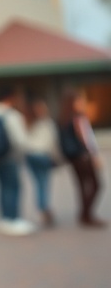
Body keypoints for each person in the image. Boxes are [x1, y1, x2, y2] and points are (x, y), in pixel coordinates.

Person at [0, 86, 35, 236]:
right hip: (10, 157)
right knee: (13, 187)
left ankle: (4, 219)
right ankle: (13, 219)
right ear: (10, 98)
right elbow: (20, 140)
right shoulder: (11, 115)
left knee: (2, 187)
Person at [58, 90, 106, 228]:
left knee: (81, 186)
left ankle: (84, 214)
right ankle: (87, 214)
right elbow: (86, 139)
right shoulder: (78, 118)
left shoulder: (64, 118)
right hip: (83, 156)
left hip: (73, 157)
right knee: (96, 184)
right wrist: (94, 155)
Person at [23, 98, 60, 227]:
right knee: (43, 183)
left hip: (31, 156)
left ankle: (42, 208)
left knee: (38, 183)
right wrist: (57, 157)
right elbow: (52, 142)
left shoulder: (28, 123)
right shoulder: (47, 123)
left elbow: (23, 141)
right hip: (42, 155)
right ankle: (44, 208)